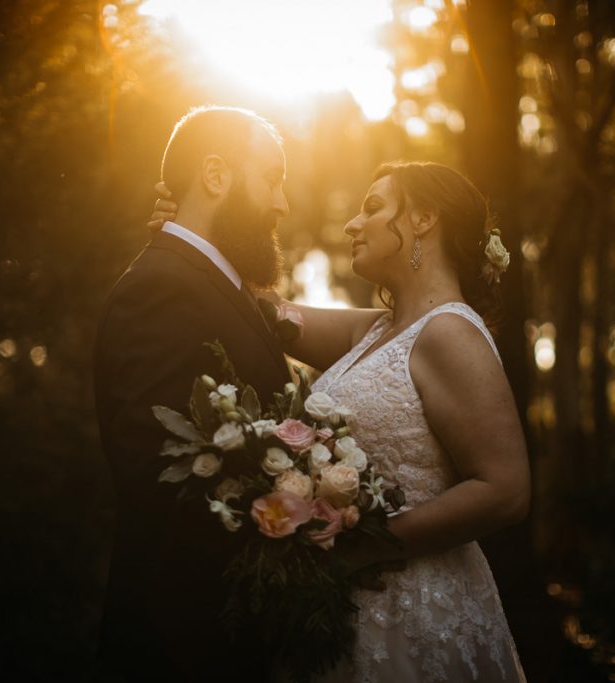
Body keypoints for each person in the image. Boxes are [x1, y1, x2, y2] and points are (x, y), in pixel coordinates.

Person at [149, 161, 530, 682]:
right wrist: (194, 232)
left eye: (372, 208)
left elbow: (505, 489)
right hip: (348, 611)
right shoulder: (375, 332)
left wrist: (360, 547)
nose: (353, 224)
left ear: (423, 219)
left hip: (417, 608)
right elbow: (266, 312)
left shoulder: (449, 333)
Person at [93, 105, 293, 681]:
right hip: (185, 644)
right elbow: (159, 476)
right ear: (215, 175)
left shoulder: (212, 284)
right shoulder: (160, 289)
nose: (281, 203)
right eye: (272, 178)